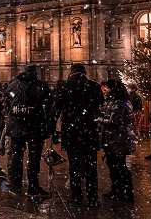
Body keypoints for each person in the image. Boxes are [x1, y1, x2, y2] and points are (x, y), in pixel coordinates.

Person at [53, 64, 103, 207]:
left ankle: (77, 197)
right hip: (89, 130)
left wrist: (53, 131)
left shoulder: (65, 86)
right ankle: (92, 198)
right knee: (91, 166)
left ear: (72, 72)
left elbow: (56, 108)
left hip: (71, 131)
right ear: (84, 72)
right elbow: (100, 104)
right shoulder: (93, 86)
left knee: (74, 165)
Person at [4, 65, 52, 197]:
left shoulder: (12, 85)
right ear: (35, 73)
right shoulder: (41, 86)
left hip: (16, 127)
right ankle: (33, 187)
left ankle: (15, 185)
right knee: (34, 158)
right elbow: (48, 107)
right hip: (34, 127)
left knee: (16, 157)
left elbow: (7, 104)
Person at [98, 80, 136, 202]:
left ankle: (125, 192)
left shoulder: (119, 103)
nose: (105, 91)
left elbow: (114, 121)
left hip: (119, 139)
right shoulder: (114, 101)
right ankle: (117, 190)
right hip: (113, 139)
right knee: (113, 165)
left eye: (107, 88)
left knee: (119, 166)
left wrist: (99, 119)